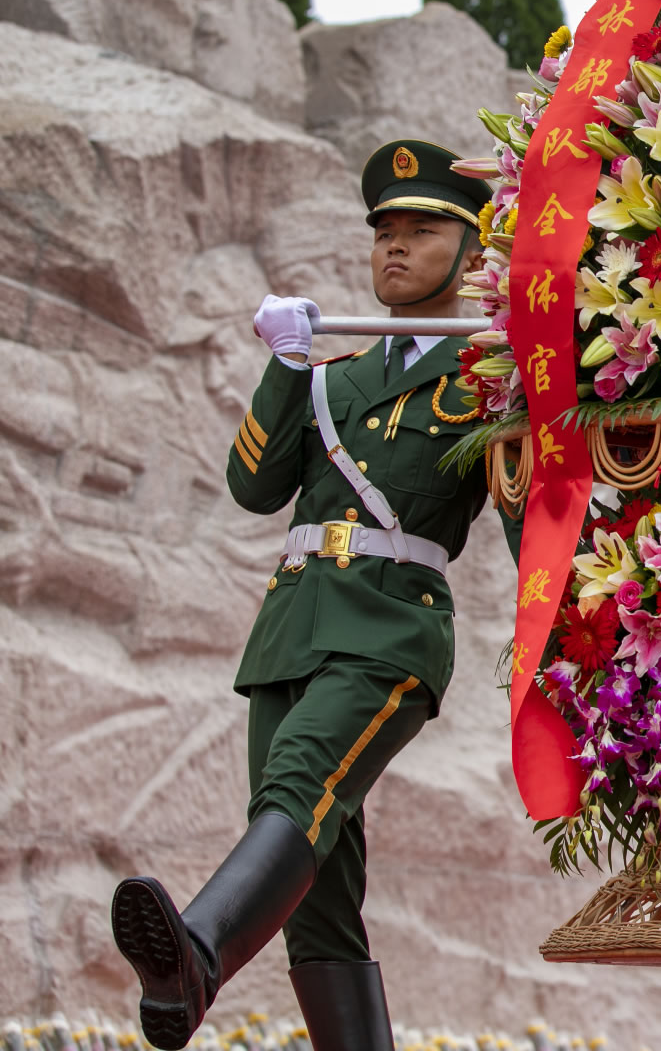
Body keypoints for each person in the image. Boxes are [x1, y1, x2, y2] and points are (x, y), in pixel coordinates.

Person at [110, 141, 501, 1051]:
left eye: (423, 231)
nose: (395, 249)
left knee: (297, 789)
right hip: (291, 629)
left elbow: (530, 509)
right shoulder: (333, 376)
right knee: (317, 895)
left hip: (390, 628)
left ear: (475, 254)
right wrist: (285, 364)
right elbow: (255, 486)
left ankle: (197, 954)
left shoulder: (489, 373)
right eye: (384, 234)